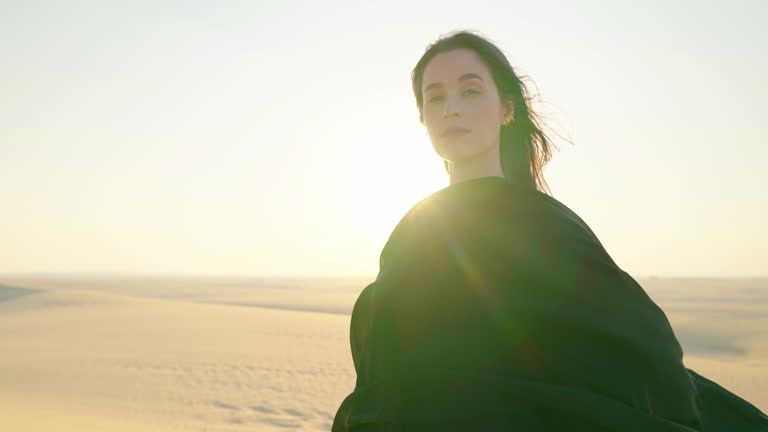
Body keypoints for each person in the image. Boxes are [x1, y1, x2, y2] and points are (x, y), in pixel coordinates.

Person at [332, 30, 768, 431]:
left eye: (470, 90)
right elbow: (384, 365)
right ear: (424, 119)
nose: (452, 109)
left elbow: (641, 339)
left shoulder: (546, 225)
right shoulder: (415, 228)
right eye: (435, 97)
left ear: (506, 109)